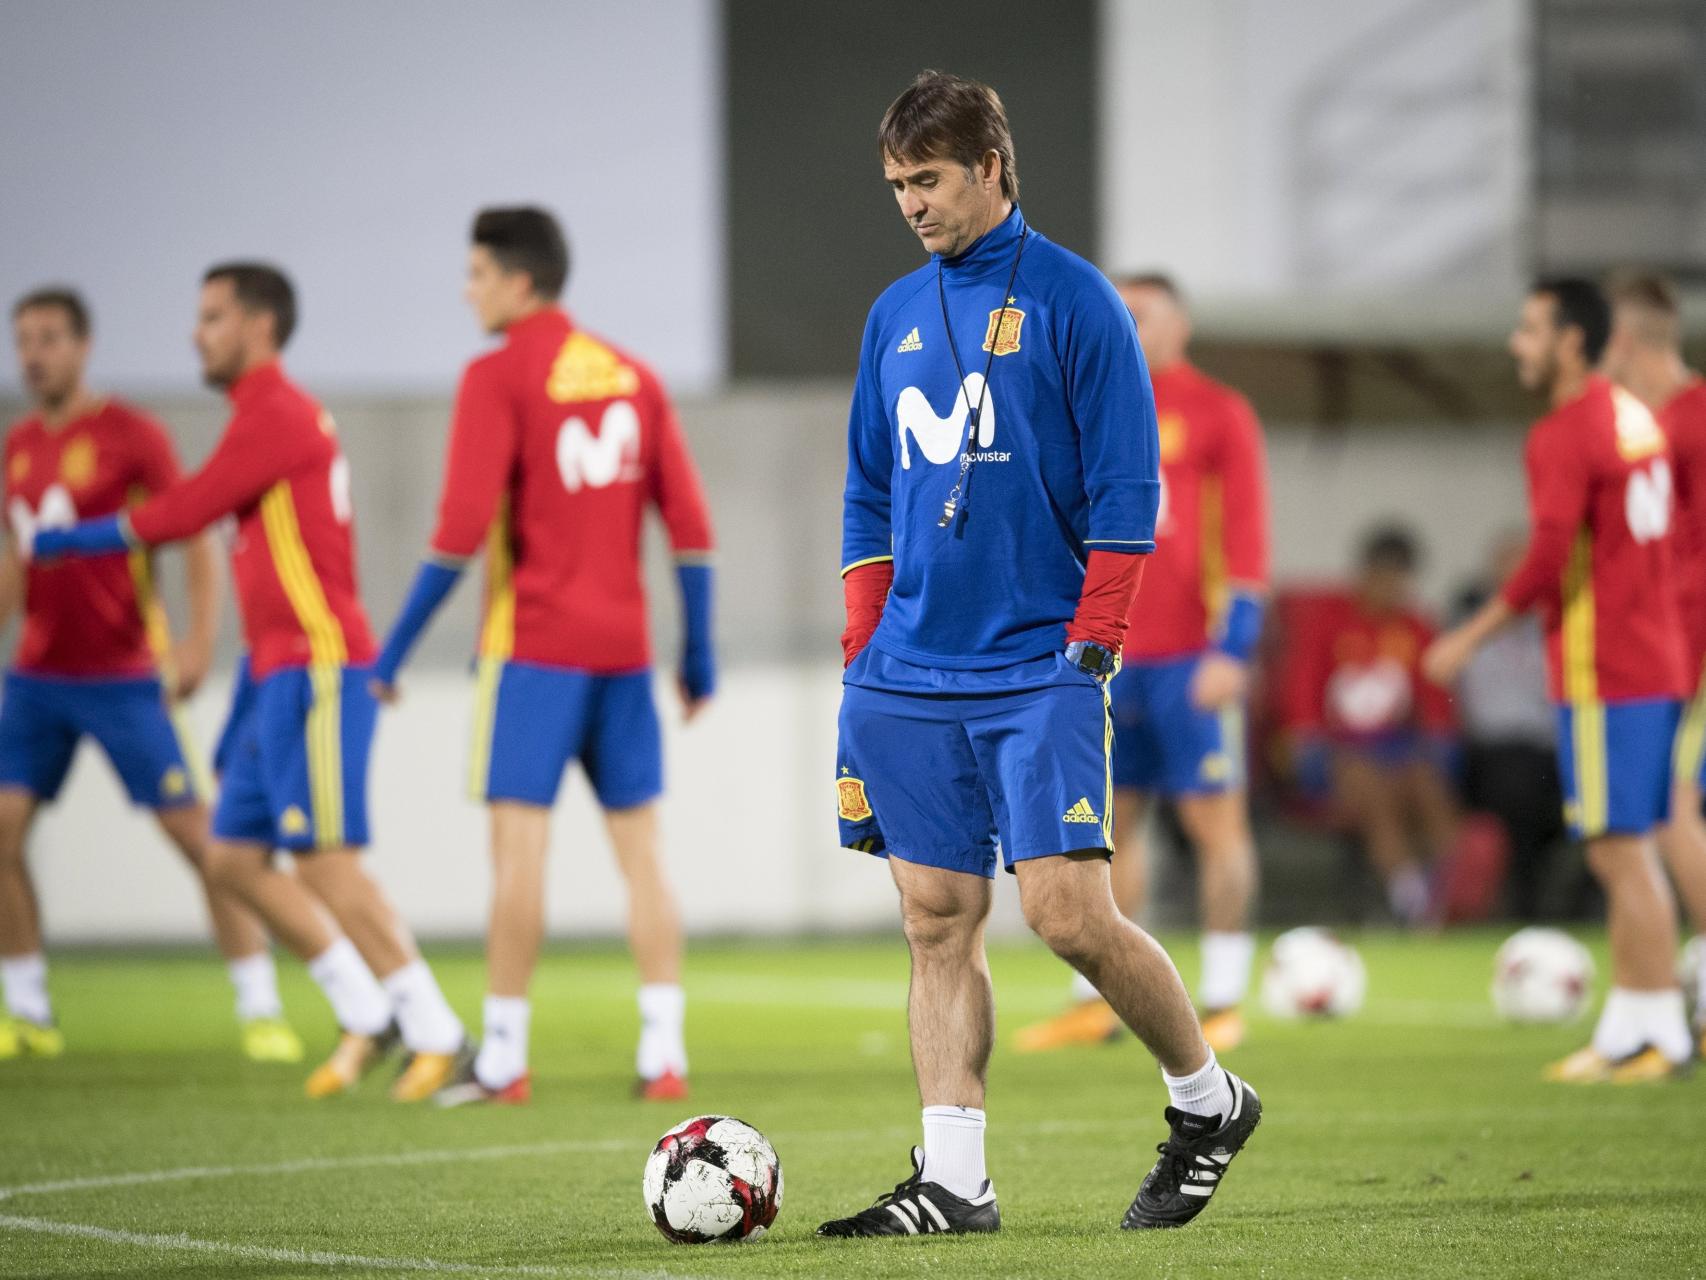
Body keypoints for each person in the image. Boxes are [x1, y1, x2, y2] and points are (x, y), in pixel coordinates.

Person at [822, 71, 1261, 1239]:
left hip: (1037, 666)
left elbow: (1127, 490)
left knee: (1065, 914)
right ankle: (955, 1180)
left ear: (991, 168)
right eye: (896, 185)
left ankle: (1205, 1100)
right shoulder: (892, 315)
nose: (910, 204)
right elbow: (871, 490)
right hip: (907, 670)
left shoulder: (1077, 302)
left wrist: (1094, 644)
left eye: (928, 179)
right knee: (934, 916)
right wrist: (864, 640)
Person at [29, 263, 468, 1100]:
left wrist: (53, 543)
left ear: (260, 325)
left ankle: (442, 1033)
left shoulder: (277, 412)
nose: (198, 333)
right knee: (230, 859)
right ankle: (365, 1011)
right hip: (273, 674)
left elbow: (180, 513)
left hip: (322, 665)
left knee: (327, 863)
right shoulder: (256, 416)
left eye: (214, 317)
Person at [372, 207, 715, 1106]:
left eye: (477, 272)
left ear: (519, 283)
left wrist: (393, 649)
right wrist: (700, 651)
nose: (468, 288)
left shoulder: (498, 373)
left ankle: (507, 1059)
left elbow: (455, 533)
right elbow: (689, 526)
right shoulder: (633, 377)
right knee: (644, 858)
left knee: (518, 857)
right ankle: (663, 1054)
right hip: (625, 655)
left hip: (532, 654)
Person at [0, 287, 301, 1064]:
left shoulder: (132, 435)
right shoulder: (18, 447)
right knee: (2, 832)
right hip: (36, 678)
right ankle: (27, 1009)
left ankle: (259, 1005)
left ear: (83, 346)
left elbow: (193, 534)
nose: (34, 354)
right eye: (23, 340)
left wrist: (198, 640)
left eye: (49, 339)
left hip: (128, 677)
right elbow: (16, 561)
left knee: (204, 842)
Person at [1426, 278, 1693, 1081]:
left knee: (1619, 852)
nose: (1517, 345)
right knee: (1630, 848)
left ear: (1573, 340)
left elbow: (1545, 559)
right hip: (1655, 654)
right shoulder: (1632, 415)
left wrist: (1467, 639)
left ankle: (1655, 1035)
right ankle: (1634, 1026)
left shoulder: (1566, 432)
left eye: (1530, 330)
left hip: (1607, 666)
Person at [1015, 272, 1268, 1056]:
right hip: (1102, 657)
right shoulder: (1081, 404)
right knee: (1104, 831)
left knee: (1214, 821)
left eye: (1140, 312)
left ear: (1179, 323)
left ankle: (1224, 994)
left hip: (1191, 658)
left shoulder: (1218, 412)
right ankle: (1103, 998)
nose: (1123, 324)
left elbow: (1249, 533)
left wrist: (1236, 645)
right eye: (1114, 311)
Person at [1601, 269, 1706, 1049]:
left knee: (1666, 813)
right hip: (1663, 651)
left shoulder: (1690, 422)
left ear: (1621, 340)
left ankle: (1660, 1006)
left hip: (1691, 651)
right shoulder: (1646, 424)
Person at [1288, 526, 1458, 925]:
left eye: (1398, 579)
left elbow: (1435, 705)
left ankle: (1450, 894)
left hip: (1395, 748)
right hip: (1335, 751)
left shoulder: (1416, 627)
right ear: (1364, 574)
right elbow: (1302, 694)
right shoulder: (1327, 623)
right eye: (1381, 576)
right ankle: (1410, 898)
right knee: (1372, 787)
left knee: (1426, 784)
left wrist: (1439, 746)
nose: (1388, 587)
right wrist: (1303, 742)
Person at [1450, 531, 1567, 920]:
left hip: (1554, 750)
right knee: (1518, 790)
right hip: (1493, 755)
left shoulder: (1560, 624)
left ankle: (1573, 906)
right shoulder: (1470, 627)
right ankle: (1520, 904)